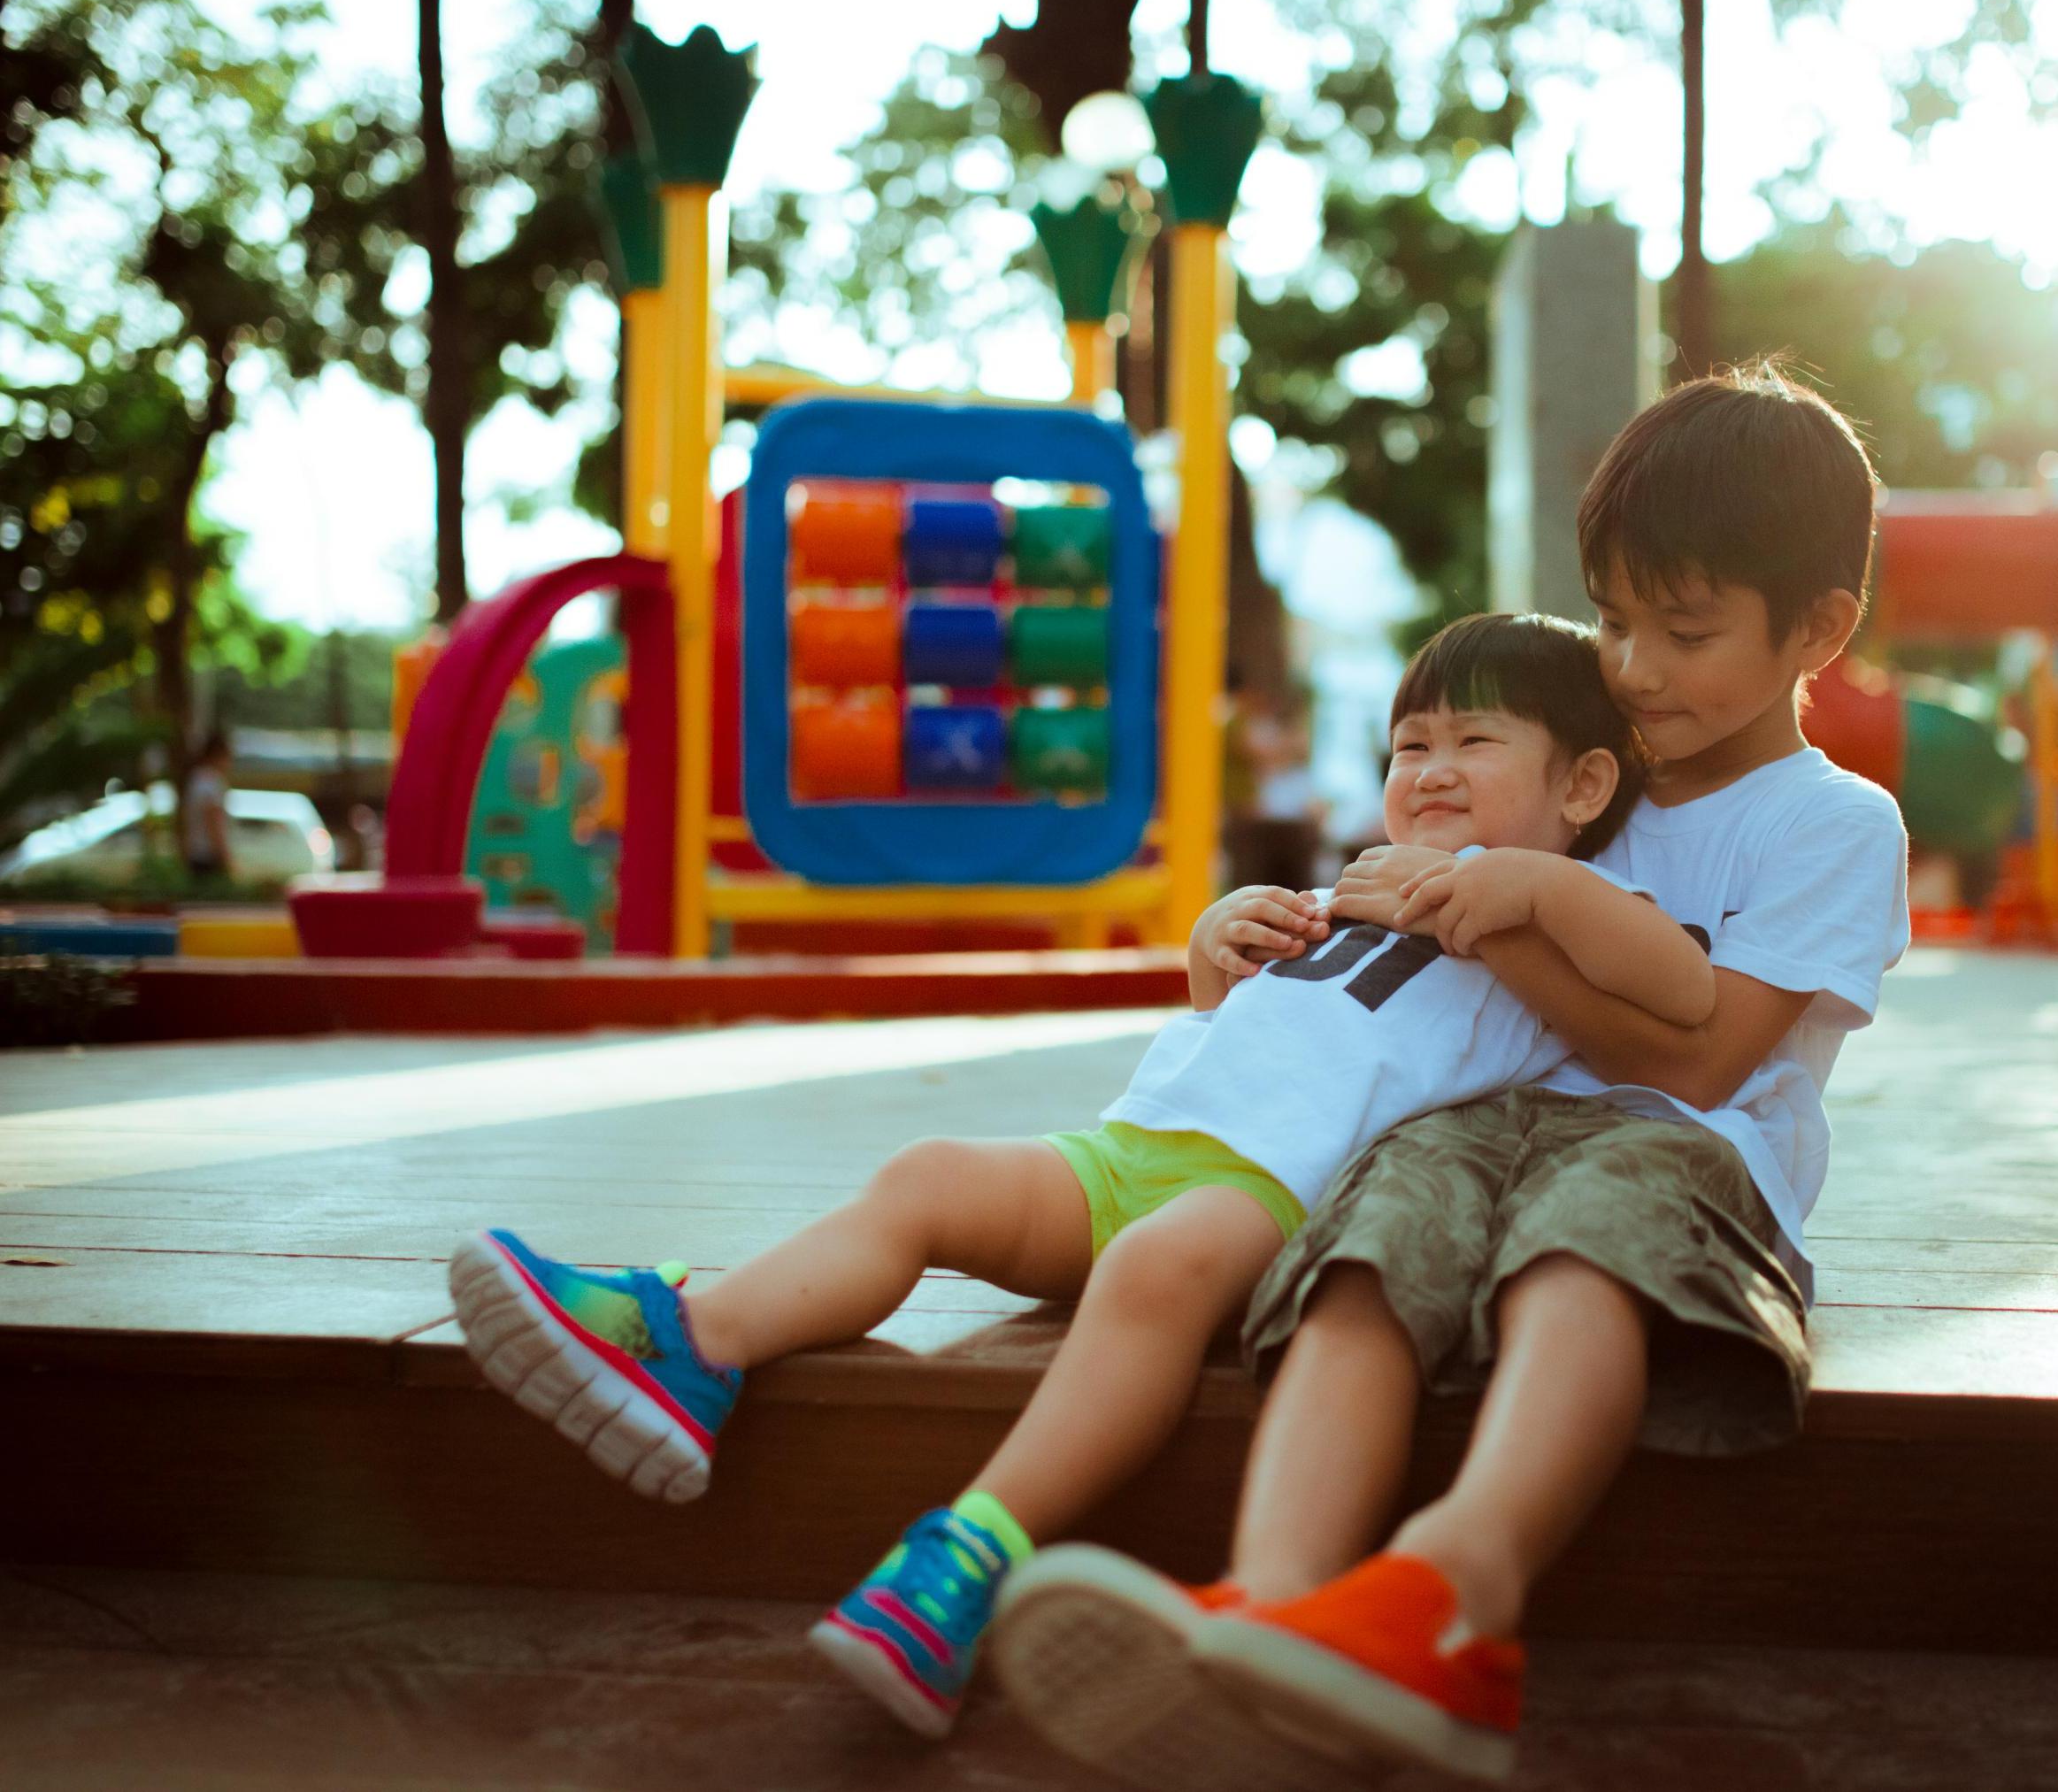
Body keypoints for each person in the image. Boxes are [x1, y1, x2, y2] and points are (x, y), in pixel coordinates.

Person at [444, 613, 1716, 1741]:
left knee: (1151, 1270)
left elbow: (1679, 985)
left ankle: (964, 1559)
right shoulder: (1362, 887)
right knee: (929, 1174)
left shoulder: (1558, 917)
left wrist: (1521, 881)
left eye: (1473, 743)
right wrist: (1218, 956)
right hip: (1131, 1149)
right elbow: (1274, 1027)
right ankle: (696, 1343)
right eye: (1407, 747)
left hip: (1271, 1197)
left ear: (1582, 782)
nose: (1429, 771)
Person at [989, 362, 1911, 1788]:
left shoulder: (1829, 822)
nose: (1636, 668)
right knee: (1365, 1241)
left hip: (1687, 1154)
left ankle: (1447, 1596)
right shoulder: (1580, 765)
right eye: (1611, 621)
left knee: (1577, 1248)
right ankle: (1276, 1606)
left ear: (1819, 629)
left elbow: (1711, 1054)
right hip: (1477, 1122)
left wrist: (1499, 900)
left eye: (1685, 629)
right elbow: (1410, 961)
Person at [182, 730, 234, 881]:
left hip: (195, 852)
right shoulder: (212, 782)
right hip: (209, 855)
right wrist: (225, 856)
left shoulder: (195, 779)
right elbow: (213, 820)